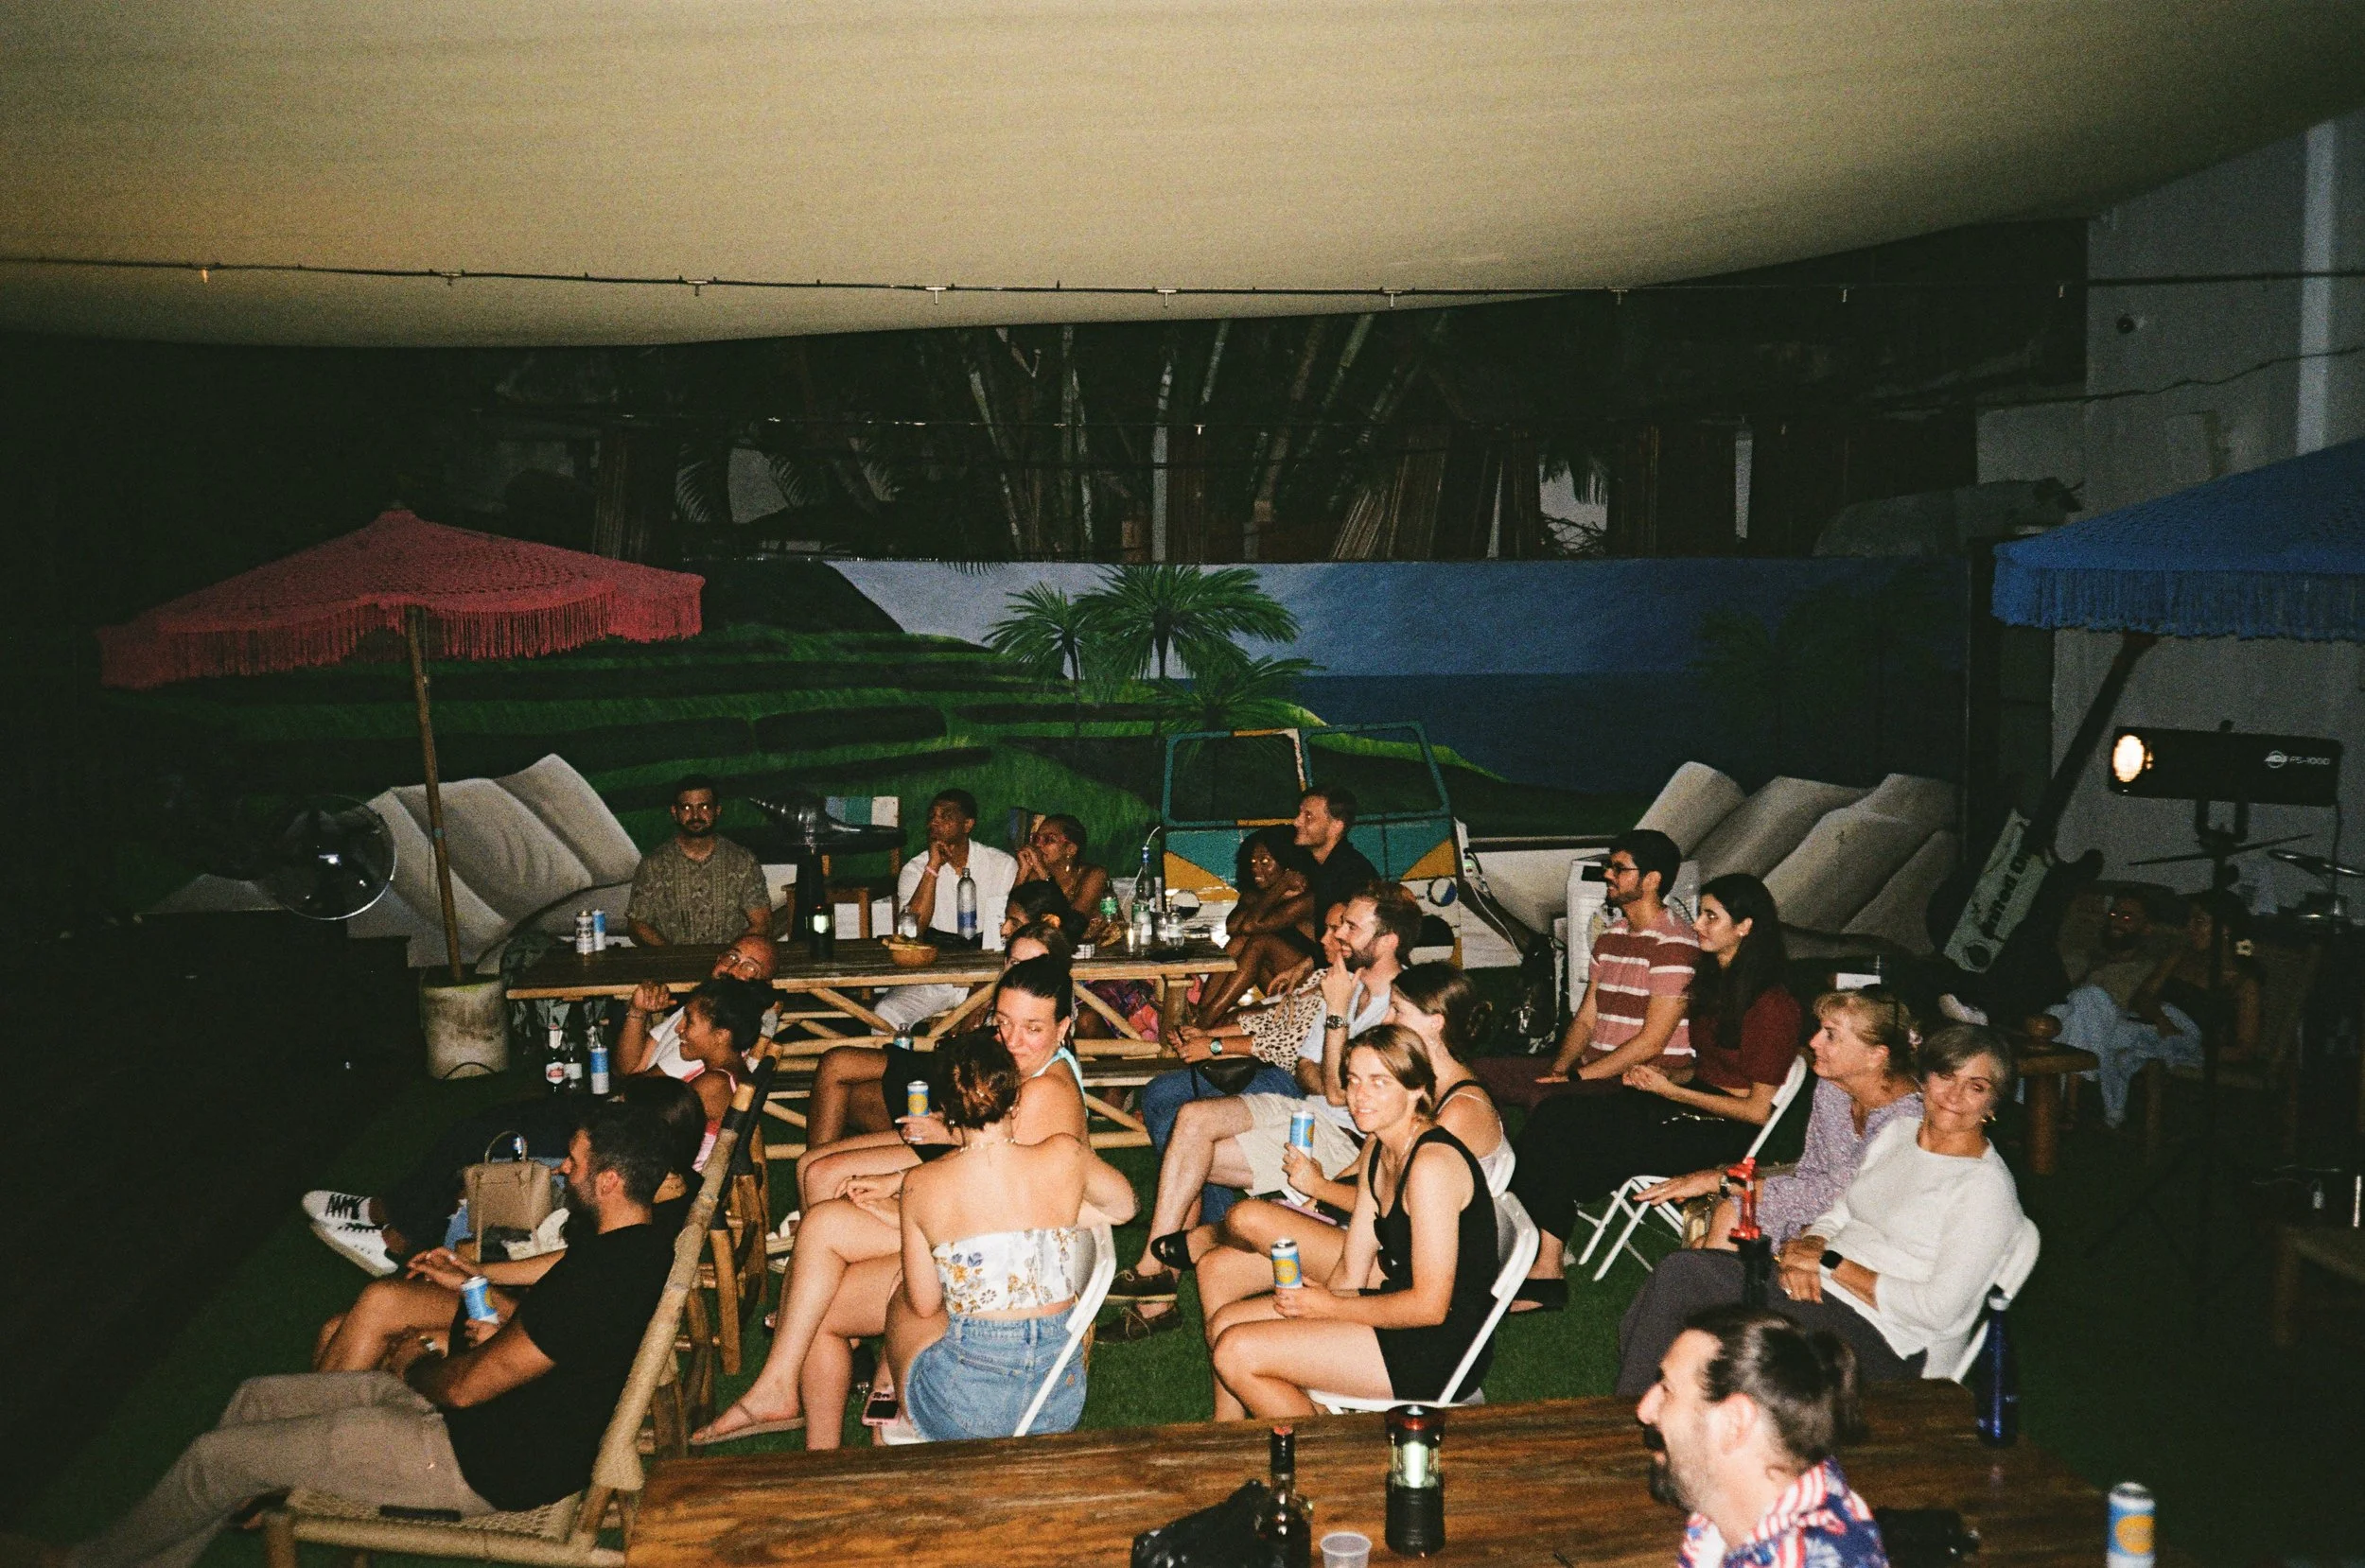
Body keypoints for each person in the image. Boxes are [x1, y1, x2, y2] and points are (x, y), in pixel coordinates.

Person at [50, 1099, 680, 1568]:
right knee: (255, 1396)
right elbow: (541, 1339)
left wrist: (408, 1365)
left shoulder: (598, 1277)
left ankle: (81, 1565)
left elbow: (461, 1389)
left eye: (574, 1162)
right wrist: (472, 1303)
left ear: (608, 1181)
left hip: (478, 1461)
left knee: (212, 1459)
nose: (564, 1170)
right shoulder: (641, 1245)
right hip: (500, 1422)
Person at [691, 958, 1089, 1447]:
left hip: (993, 1261)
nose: (1011, 1040)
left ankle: (797, 1417)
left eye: (1032, 1028)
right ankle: (798, 1420)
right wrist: (900, 1184)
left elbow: (986, 1186)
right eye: (1003, 1023)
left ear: (1063, 1027)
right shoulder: (1027, 1072)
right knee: (819, 1257)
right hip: (978, 1237)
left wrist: (903, 1196)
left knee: (818, 1272)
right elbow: (976, 1162)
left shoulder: (1046, 1090)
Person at [1618, 1025, 2026, 1396]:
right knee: (1677, 1280)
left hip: (1884, 1339)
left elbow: (1939, 1310)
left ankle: (1633, 1420)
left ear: (1993, 1103)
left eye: (1975, 1087)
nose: (1953, 1097)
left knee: (1685, 1281)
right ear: (1926, 1077)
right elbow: (1844, 1206)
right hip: (1818, 1291)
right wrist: (1811, 1240)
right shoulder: (1901, 1135)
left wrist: (1828, 1261)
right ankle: (1654, 1414)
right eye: (1946, 1076)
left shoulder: (1983, 1189)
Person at [305, 972, 770, 1275]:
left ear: (723, 1034)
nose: (682, 1029)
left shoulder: (713, 1083)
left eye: (690, 1022)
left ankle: (393, 1240)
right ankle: (382, 1215)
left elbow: (638, 1102)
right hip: (618, 1138)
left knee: (485, 1150)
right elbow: (635, 1087)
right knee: (485, 1128)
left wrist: (590, 1138)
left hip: (627, 1162)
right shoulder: (716, 1071)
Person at [1106, 885, 1416, 1338]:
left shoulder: (1401, 1005)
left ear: (1387, 942)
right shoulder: (1347, 987)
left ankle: (1159, 1285)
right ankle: (1157, 1266)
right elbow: (1312, 1074)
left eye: (1352, 927)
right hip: (1306, 1109)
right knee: (1191, 1120)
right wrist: (1331, 1062)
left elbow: (1334, 1091)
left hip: (1348, 1142)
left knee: (1190, 1157)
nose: (1338, 937)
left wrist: (1333, 1024)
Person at [1508, 874, 1800, 1310]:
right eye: (1701, 912)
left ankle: (1547, 1271)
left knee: (1571, 1133)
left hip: (1725, 1129)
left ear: (1746, 927)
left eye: (1711, 916)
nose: (1697, 924)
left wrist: (1675, 1092)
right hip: (1692, 1102)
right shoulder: (1716, 982)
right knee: (1558, 1113)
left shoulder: (1772, 1006)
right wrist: (1665, 1077)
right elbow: (1706, 1070)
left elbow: (1758, 1111)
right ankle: (1541, 1246)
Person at [1195, 966, 1513, 1341]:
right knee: (1216, 1269)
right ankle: (1266, 1373)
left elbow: (1393, 1204)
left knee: (1248, 1218)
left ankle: (1201, 1246)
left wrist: (1319, 1187)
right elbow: (1364, 1174)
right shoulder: (1400, 1098)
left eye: (1398, 1010)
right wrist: (1314, 1197)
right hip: (1369, 1237)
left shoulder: (1455, 1110)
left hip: (1403, 1260)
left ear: (1435, 1024)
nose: (1388, 1018)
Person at [312, 1077, 707, 1375]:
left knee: (380, 1307)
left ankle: (316, 1441)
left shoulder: (642, 1212)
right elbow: (576, 1260)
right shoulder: (663, 1191)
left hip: (532, 1321)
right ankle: (313, 1439)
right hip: (538, 1305)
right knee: (337, 1327)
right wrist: (477, 1271)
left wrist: (480, 1284)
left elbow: (574, 1295)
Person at [1203, 1029, 1500, 1418]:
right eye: (1354, 1080)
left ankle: (1327, 1452)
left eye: (1379, 1082)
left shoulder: (1432, 1166)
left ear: (1416, 1089)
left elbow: (1430, 1307)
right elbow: (1352, 1267)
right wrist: (1323, 1306)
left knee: (1236, 1352)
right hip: (1394, 1309)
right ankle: (1232, 1434)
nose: (1360, 1096)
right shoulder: (1380, 1146)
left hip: (1438, 1347)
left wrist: (1330, 1307)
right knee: (1226, 1322)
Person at [884, 1032, 1140, 1440]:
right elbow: (1125, 1207)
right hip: (1057, 1401)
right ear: (1016, 1100)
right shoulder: (1063, 1153)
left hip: (963, 1413)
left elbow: (925, 1303)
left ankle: (890, 1400)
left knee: (901, 1299)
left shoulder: (920, 1184)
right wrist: (1057, 1211)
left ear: (946, 1112)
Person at [1640, 986, 1923, 1252]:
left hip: (1872, 1231)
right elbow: (1812, 1171)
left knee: (1729, 1223)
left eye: (1831, 1035)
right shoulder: (1833, 1088)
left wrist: (1722, 1182)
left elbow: (1849, 1196)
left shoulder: (1907, 1122)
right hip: (1824, 1206)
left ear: (1875, 1056)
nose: (1813, 1042)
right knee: (1721, 1233)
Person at [1130, 901, 1347, 1235]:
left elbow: (1289, 1046)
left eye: (1339, 930)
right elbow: (1270, 1019)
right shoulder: (1322, 975)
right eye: (1330, 928)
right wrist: (1208, 1033)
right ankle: (1206, 1217)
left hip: (1288, 1081)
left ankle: (1206, 1222)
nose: (1325, 939)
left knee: (1175, 1112)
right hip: (1274, 1068)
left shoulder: (1345, 990)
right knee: (1158, 1093)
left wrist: (1214, 1046)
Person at [1635, 1306, 1885, 1568]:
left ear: (1734, 1424)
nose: (1644, 1411)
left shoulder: (1812, 1557)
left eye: (1667, 1390)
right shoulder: (1725, 1509)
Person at [800, 918, 1069, 1154]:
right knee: (837, 1062)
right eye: (1014, 962)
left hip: (961, 1105)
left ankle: (838, 1169)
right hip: (947, 1078)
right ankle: (829, 1167)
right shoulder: (996, 997)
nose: (1018, 971)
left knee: (851, 1092)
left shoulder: (1043, 1027)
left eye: (1033, 964)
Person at [1475, 828, 1696, 1111]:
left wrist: (1575, 1078)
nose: (1607, 875)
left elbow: (1651, 1044)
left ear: (1652, 880)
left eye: (1619, 869)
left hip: (1636, 1078)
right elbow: (1584, 1021)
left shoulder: (1674, 943)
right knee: (1478, 1072)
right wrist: (1558, 1069)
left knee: (1545, 1101)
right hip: (1593, 1069)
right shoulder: (1610, 937)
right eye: (1609, 867)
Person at [2049, 890, 2258, 1126]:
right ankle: (2095, 1106)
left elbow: (2245, 1048)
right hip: (2149, 1022)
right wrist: (2161, 1020)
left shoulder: (2242, 981)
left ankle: (2066, 1108)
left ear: (2224, 930)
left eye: (2199, 921)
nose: (2190, 927)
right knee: (2065, 1010)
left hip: (2184, 1039)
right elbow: (2143, 996)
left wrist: (2190, 1047)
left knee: (2075, 1011)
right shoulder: (2180, 957)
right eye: (2190, 920)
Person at [875, 790, 1021, 1034]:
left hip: (989, 976)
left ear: (968, 824)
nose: (934, 822)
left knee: (990, 1025)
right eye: (932, 816)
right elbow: (912, 933)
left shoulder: (1001, 865)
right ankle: (898, 1069)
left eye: (945, 815)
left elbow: (1016, 926)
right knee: (885, 1014)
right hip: (935, 974)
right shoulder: (915, 869)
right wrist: (933, 867)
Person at [1192, 828, 1321, 1025]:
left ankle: (1206, 1018)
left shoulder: (1307, 899)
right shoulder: (1259, 897)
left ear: (1288, 865)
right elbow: (1234, 927)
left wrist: (1280, 887)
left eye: (1265, 862)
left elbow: (1251, 925)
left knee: (1261, 942)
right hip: (1279, 984)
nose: (1255, 868)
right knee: (1240, 942)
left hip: (1311, 982)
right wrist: (1278, 891)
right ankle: (1204, 1011)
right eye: (1252, 862)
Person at [626, 775, 772, 948]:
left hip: (729, 968)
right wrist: (672, 957)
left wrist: (728, 958)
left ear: (717, 810)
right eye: (687, 808)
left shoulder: (742, 861)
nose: (696, 816)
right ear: (675, 812)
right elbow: (637, 925)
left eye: (704, 807)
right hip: (672, 967)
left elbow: (762, 923)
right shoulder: (654, 865)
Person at [1011, 812, 1113, 936]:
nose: (1038, 845)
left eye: (1049, 839)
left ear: (1070, 849)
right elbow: (1011, 919)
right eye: (1036, 838)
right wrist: (1022, 873)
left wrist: (1043, 874)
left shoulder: (1095, 875)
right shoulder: (1034, 876)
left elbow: (1071, 925)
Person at [1293, 785, 1380, 929]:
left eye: (1308, 816)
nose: (1296, 822)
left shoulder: (1352, 874)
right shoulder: (1322, 866)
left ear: (1336, 826)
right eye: (1299, 814)